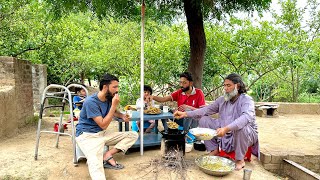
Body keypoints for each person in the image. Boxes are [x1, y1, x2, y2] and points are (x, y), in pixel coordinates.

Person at [173, 73, 259, 170]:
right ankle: (214, 150)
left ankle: (240, 160)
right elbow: (206, 110)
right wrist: (185, 114)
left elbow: (246, 117)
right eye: (224, 85)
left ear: (237, 86)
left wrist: (226, 129)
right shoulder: (222, 100)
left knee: (241, 127)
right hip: (224, 129)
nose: (225, 88)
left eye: (228, 85)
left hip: (246, 133)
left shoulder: (247, 100)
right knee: (204, 119)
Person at [75, 73, 138, 180]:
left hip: (102, 134)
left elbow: (114, 113)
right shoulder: (91, 102)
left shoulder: (108, 98)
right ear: (105, 87)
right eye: (114, 87)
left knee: (133, 135)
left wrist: (122, 116)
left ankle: (107, 154)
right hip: (88, 136)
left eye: (117, 86)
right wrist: (114, 105)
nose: (117, 90)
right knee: (95, 163)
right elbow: (103, 124)